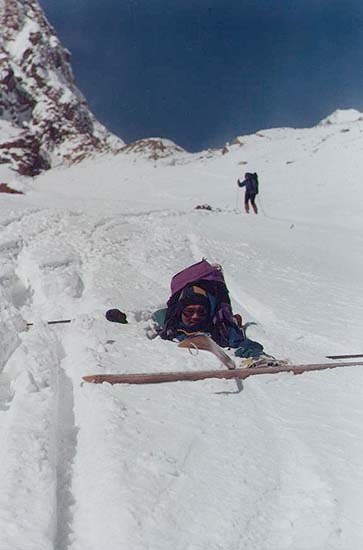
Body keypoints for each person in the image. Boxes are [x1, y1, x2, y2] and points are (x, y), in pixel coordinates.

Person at [153, 260, 266, 359]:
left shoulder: (219, 328)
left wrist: (256, 355)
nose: (195, 316)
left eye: (201, 311)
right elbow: (155, 318)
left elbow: (242, 343)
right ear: (180, 311)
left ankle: (235, 321)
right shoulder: (170, 321)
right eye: (189, 311)